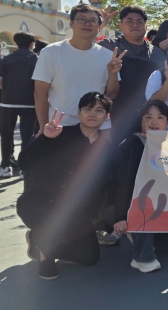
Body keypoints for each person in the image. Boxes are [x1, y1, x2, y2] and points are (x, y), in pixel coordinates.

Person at [17, 93, 114, 280]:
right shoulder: (59, 134)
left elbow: (103, 185)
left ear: (107, 116)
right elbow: (25, 163)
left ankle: (38, 242)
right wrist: (45, 139)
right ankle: (46, 255)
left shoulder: (106, 148)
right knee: (50, 227)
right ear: (78, 113)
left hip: (72, 211)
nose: (92, 113)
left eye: (99, 110)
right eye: (87, 109)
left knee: (89, 257)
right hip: (39, 203)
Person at [33, 3, 125, 133]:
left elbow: (112, 94)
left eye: (93, 21)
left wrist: (112, 73)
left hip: (98, 127)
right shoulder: (51, 52)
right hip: (60, 125)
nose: (87, 24)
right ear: (71, 23)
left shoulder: (108, 56)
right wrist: (43, 127)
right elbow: (40, 93)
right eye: (81, 19)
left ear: (99, 26)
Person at [112, 100, 168, 273]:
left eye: (160, 117)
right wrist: (120, 217)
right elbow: (124, 183)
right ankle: (143, 257)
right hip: (133, 202)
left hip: (164, 200)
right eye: (149, 117)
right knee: (144, 207)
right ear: (142, 120)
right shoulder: (132, 144)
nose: (154, 122)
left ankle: (147, 237)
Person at [98, 5, 164, 145]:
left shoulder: (157, 54)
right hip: (115, 118)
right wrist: (100, 26)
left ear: (146, 26)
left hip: (147, 118)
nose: (135, 25)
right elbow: (84, 44)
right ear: (121, 25)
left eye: (139, 21)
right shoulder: (109, 46)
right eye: (129, 21)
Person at [0, 32, 37, 179]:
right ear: (31, 44)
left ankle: (5, 167)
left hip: (7, 102)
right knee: (27, 136)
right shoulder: (37, 60)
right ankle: (24, 168)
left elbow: (0, 82)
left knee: (6, 134)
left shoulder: (6, 59)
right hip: (30, 103)